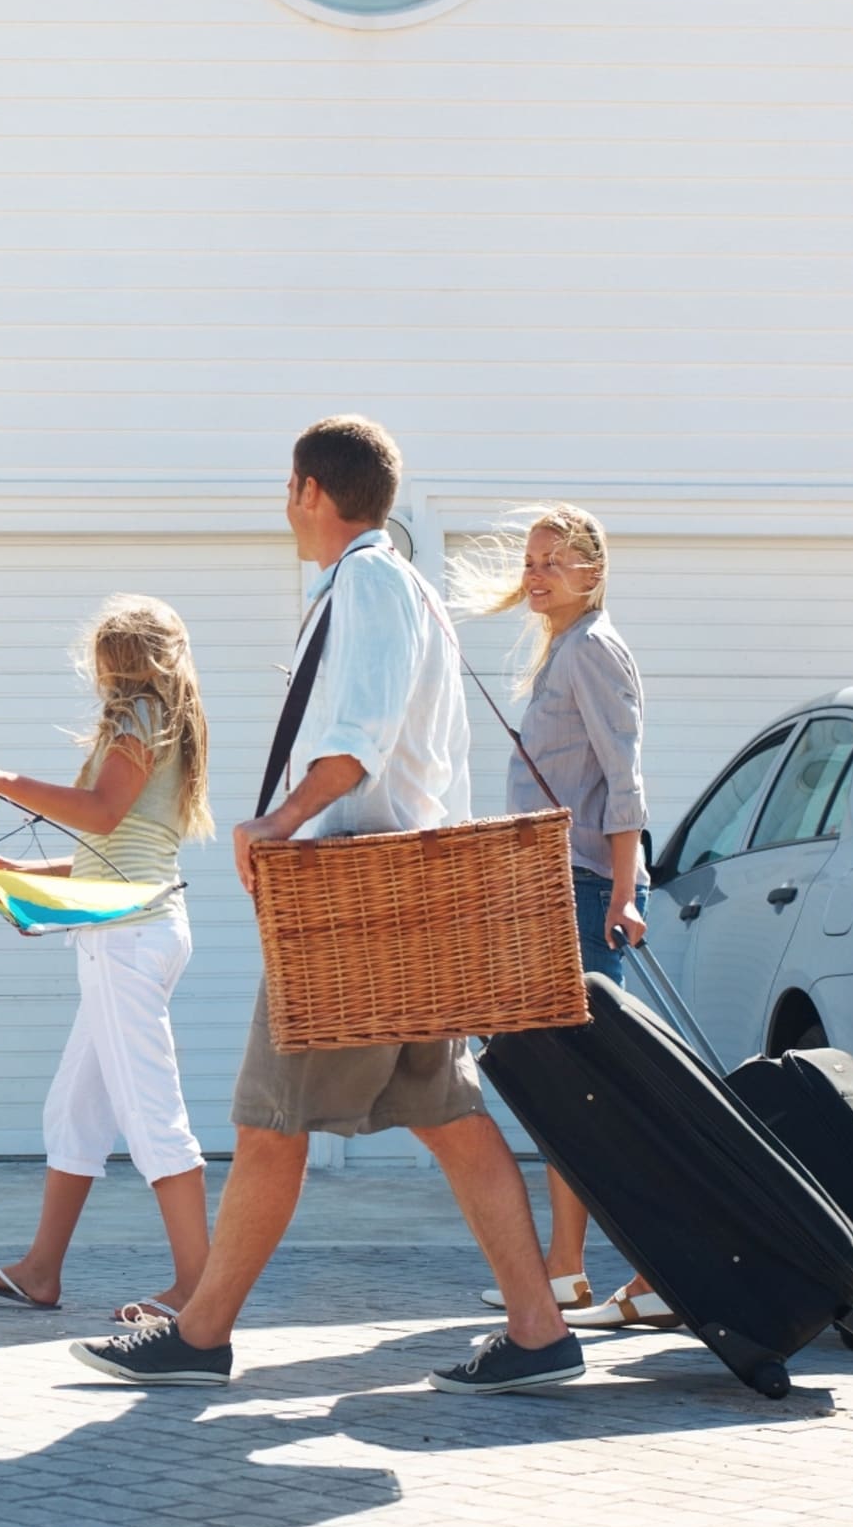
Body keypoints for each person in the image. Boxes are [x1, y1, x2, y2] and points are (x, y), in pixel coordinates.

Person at [70, 416, 583, 1394]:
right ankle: (538, 1330)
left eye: (287, 489)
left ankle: (202, 1333)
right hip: (403, 893)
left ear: (309, 490)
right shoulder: (377, 586)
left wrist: (279, 821)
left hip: (357, 904)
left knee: (270, 1121)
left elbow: (359, 735)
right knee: (449, 1115)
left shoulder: (373, 585)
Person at [0, 595, 216, 1323]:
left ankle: (198, 1290)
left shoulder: (140, 717)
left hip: (127, 938)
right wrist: (9, 873)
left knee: (153, 1113)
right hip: (132, 927)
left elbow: (99, 813)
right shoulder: (160, 720)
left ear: (119, 658)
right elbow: (110, 850)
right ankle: (41, 1270)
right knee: (76, 1108)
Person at [448, 506, 677, 1330]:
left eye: (553, 561)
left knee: (598, 1096)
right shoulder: (567, 650)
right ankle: (567, 1272)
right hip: (557, 891)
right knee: (566, 1092)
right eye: (531, 560)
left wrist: (622, 891)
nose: (534, 574)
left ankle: (660, 1270)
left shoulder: (595, 651)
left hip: (587, 894)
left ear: (594, 570)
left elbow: (626, 783)